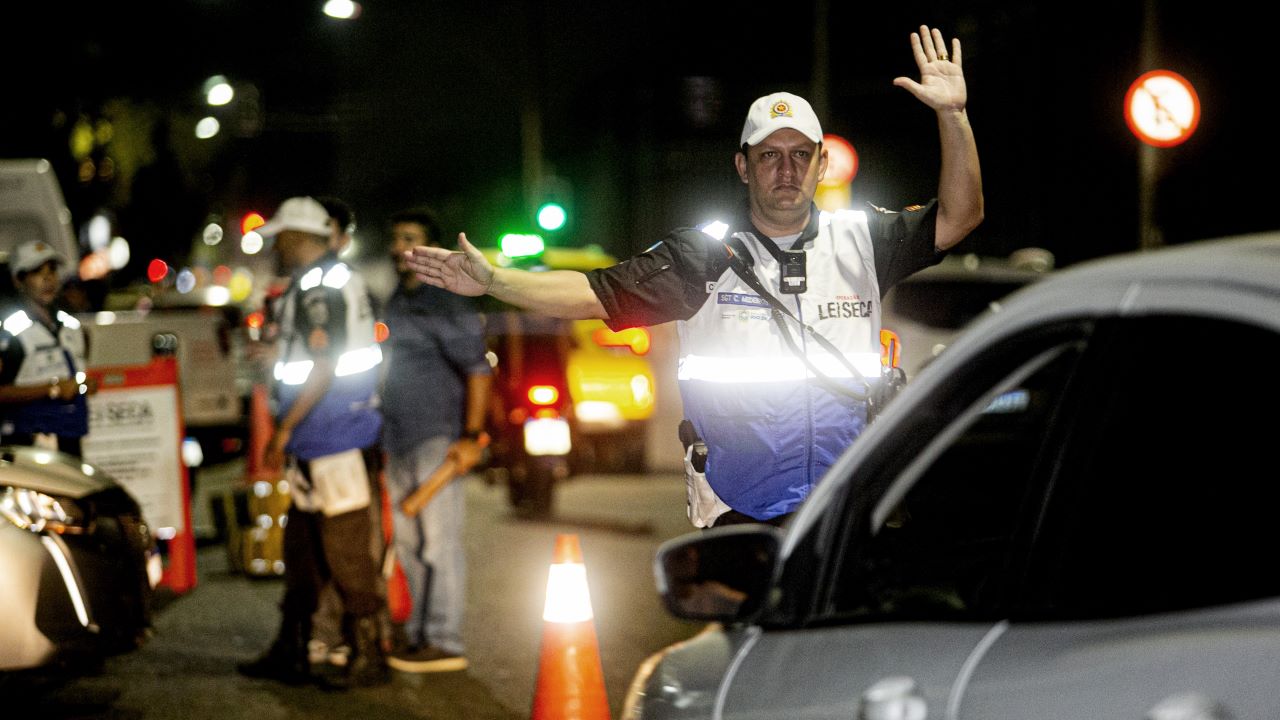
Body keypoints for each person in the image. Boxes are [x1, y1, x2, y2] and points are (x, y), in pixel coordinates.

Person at [404, 26, 983, 528]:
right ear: (743, 166)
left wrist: (952, 116)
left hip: (849, 502)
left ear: (820, 163)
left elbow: (960, 217)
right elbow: (594, 292)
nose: (786, 169)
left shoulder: (864, 240)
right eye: (768, 156)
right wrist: (495, 281)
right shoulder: (705, 256)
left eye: (799, 154)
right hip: (742, 507)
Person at [236, 196, 389, 688]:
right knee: (302, 547)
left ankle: (369, 651)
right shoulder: (322, 281)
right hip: (319, 433)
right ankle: (292, 647)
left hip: (331, 433)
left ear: (300, 237)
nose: (276, 245)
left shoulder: (320, 287)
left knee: (345, 549)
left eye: (281, 237)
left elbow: (323, 366)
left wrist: (282, 428)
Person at [381, 207, 491, 672]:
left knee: (439, 544)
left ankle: (444, 639)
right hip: (395, 437)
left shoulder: (447, 303)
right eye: (396, 238)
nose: (400, 248)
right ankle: (419, 634)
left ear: (429, 250)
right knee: (408, 544)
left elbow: (478, 370)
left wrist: (469, 436)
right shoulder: (395, 303)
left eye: (411, 239)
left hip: (437, 436)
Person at [0, 240, 98, 455]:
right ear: (19, 280)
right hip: (27, 443)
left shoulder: (72, 326)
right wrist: (51, 389)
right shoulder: (10, 333)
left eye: (52, 269)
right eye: (37, 271)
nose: (48, 278)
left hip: (71, 437)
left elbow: (78, 374)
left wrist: (83, 384)